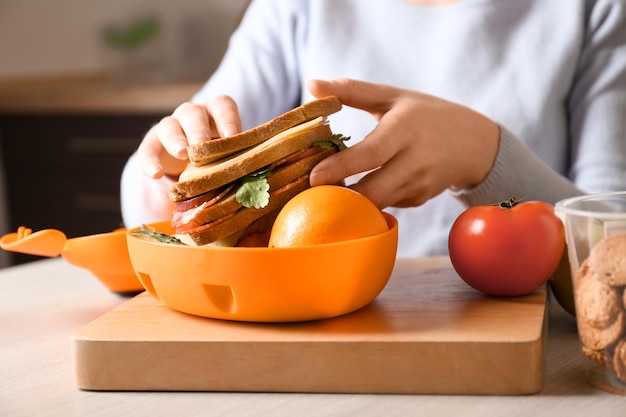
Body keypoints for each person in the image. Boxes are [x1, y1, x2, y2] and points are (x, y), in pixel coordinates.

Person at [121, 0, 626, 257]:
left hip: (523, 334)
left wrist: (487, 156)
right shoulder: (296, 6)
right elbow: (141, 200)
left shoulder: (593, 10)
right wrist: (171, 174)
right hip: (311, 333)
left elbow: (614, 237)